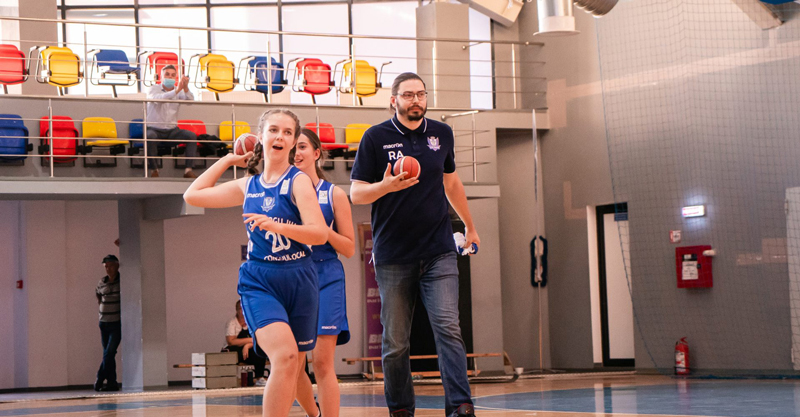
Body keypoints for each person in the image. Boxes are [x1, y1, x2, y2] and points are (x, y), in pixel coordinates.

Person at [349, 72, 480, 417]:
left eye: (421, 94)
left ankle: (461, 406)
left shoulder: (442, 133)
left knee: (448, 328)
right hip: (394, 255)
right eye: (408, 95)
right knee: (396, 342)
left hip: (438, 251)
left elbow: (451, 183)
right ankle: (401, 408)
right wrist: (386, 186)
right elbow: (356, 193)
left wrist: (470, 226)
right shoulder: (375, 137)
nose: (416, 100)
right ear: (393, 100)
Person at [184, 109, 327, 417]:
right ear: (261, 136)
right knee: (285, 357)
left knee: (296, 363)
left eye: (287, 132)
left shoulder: (298, 182)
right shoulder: (248, 185)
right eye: (273, 130)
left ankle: (315, 415)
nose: (280, 136)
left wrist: (278, 226)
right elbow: (192, 195)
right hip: (261, 280)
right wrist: (227, 161)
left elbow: (318, 234)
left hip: (299, 276)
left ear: (293, 142)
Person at [292, 128, 355, 417]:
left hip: (326, 274)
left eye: (302, 146)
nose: (296, 152)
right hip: (293, 274)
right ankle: (314, 414)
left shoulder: (334, 194)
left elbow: (349, 248)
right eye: (292, 148)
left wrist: (323, 230)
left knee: (321, 362)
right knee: (291, 362)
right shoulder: (281, 191)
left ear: (317, 153)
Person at [145, 64, 198, 179]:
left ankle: (188, 170)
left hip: (172, 131)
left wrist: (185, 88)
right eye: (167, 74)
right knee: (149, 136)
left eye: (173, 75)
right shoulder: (153, 89)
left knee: (191, 136)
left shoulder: (179, 91)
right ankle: (154, 170)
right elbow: (159, 99)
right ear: (161, 77)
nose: (170, 77)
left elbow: (190, 101)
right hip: (154, 129)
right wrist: (177, 90)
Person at [224, 300, 268, 386]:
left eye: (245, 308)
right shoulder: (232, 323)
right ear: (237, 310)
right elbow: (231, 341)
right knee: (232, 352)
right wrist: (250, 340)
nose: (243, 311)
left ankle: (259, 377)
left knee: (259, 351)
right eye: (241, 308)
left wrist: (247, 345)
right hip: (234, 350)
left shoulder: (251, 322)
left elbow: (259, 339)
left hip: (247, 350)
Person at [95, 254, 121, 392]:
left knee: (109, 353)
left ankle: (100, 378)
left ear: (117, 266)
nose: (108, 269)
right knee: (108, 354)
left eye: (110, 266)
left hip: (116, 323)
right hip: (103, 323)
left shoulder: (122, 281)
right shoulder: (102, 281)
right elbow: (98, 294)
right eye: (106, 266)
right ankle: (112, 383)